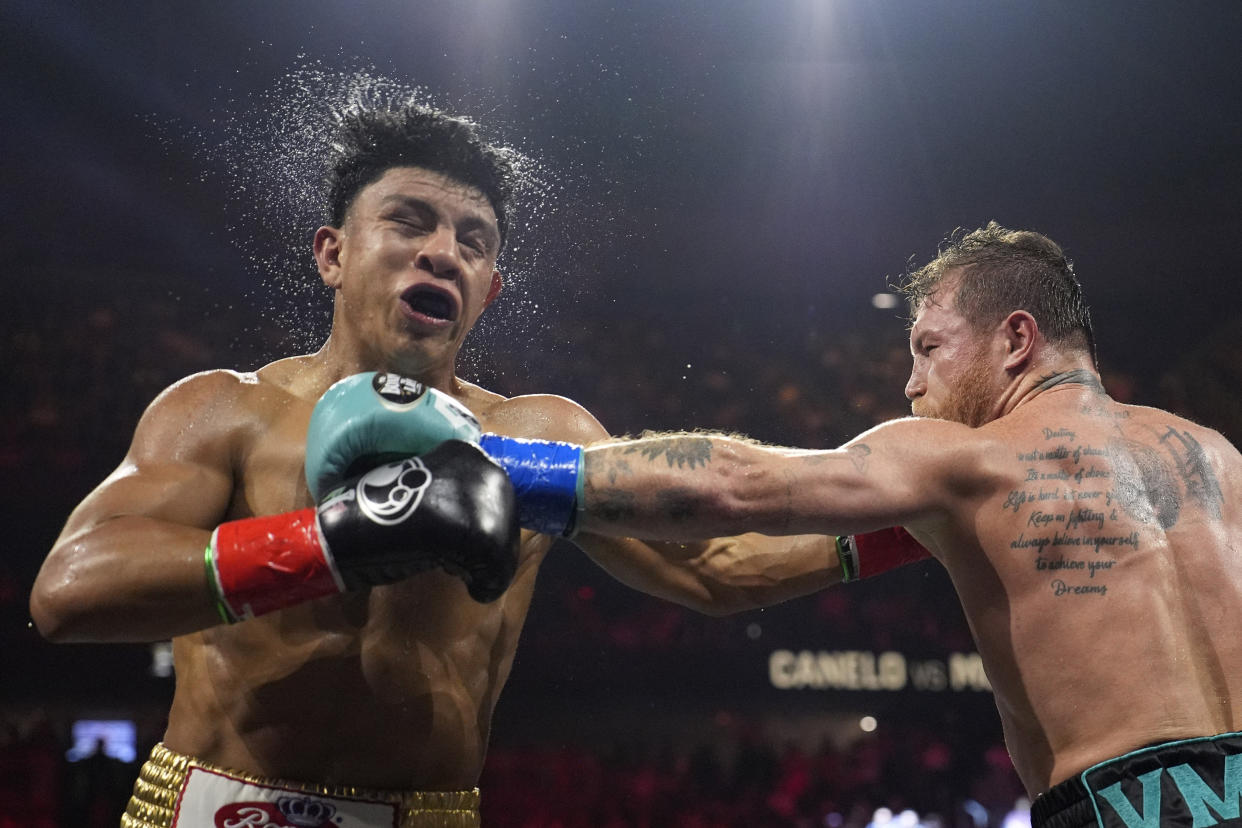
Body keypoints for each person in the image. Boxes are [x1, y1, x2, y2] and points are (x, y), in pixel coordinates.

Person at [30, 103, 899, 828]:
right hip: (209, 804)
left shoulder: (540, 434)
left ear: (488, 290)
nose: (443, 249)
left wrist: (925, 523)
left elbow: (713, 566)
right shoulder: (226, 409)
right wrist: (338, 540)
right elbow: (69, 591)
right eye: (408, 221)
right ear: (332, 253)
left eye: (472, 241)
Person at [428, 223, 1242, 828]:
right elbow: (724, 572)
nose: (912, 384)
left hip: (1122, 806)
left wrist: (489, 460)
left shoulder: (970, 457)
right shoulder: (1219, 457)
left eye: (929, 347)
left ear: (1016, 339)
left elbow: (740, 486)